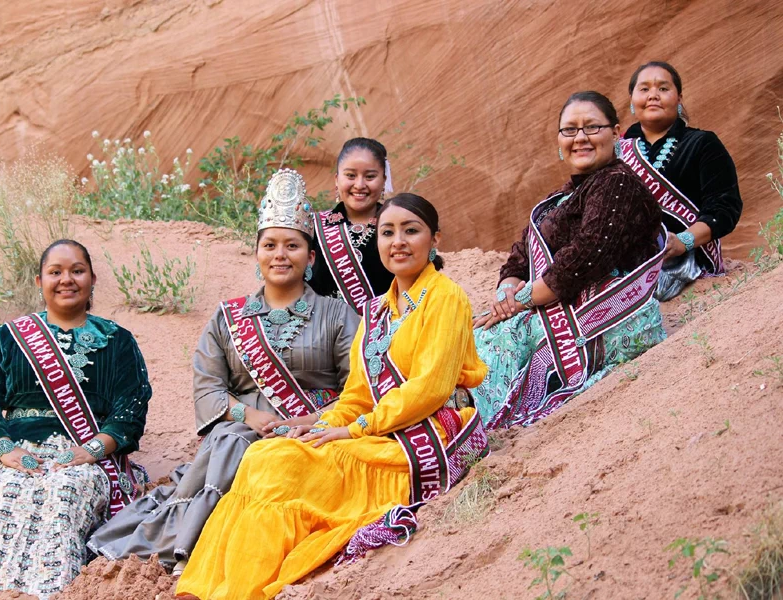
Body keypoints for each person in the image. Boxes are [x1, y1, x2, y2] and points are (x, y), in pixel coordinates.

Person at [175, 193, 490, 600]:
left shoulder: (446, 297)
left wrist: (356, 430)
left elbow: (428, 389)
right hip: (380, 428)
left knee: (288, 473)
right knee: (265, 456)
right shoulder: (377, 310)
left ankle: (238, 591)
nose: (398, 242)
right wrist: (320, 427)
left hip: (429, 434)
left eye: (411, 231)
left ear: (435, 240)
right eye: (388, 232)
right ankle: (201, 588)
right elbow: (357, 395)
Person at [88, 169, 359, 575]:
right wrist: (248, 415)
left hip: (313, 429)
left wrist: (308, 420)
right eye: (269, 245)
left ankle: (198, 546)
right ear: (257, 254)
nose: (280, 254)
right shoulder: (227, 317)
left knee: (240, 448)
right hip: (240, 430)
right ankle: (190, 545)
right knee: (232, 440)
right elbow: (208, 387)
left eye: (292, 245)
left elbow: (359, 387)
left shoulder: (337, 314)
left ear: (311, 257)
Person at [0, 240, 152, 600]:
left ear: (92, 278)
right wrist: (5, 449)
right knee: (11, 491)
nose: (66, 280)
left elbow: (131, 408)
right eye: (55, 272)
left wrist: (94, 449)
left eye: (77, 271)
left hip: (84, 457)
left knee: (64, 494)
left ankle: (50, 591)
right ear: (39, 281)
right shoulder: (10, 338)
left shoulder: (118, 341)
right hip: (17, 453)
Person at [470, 91, 667, 429]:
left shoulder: (617, 184)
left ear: (616, 132)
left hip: (604, 317)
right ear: (559, 140)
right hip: (554, 303)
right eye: (570, 130)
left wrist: (518, 302)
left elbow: (586, 257)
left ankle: (467, 423)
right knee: (478, 334)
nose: (580, 138)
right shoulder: (562, 196)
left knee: (491, 342)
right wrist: (505, 293)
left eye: (592, 128)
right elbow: (520, 255)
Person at [620, 61, 742, 300]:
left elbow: (724, 208)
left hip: (689, 265)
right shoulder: (616, 152)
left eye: (663, 89)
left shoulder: (702, 143)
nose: (653, 95)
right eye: (644, 89)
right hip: (625, 268)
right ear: (632, 101)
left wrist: (683, 241)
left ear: (679, 99)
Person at [308, 137, 395, 313]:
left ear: (384, 179)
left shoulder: (396, 227)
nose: (359, 185)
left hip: (382, 335)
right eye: (350, 175)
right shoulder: (312, 227)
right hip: (320, 333)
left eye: (370, 176)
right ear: (336, 179)